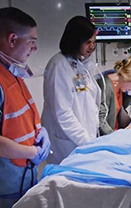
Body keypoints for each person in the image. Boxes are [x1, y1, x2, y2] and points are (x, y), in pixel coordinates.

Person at [0, 7, 50, 208]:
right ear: (12, 39)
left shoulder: (10, 68)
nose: (35, 47)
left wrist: (40, 131)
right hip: (3, 185)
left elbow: (19, 115)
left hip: (22, 176)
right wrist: (33, 153)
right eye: (32, 41)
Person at [42, 16, 101, 164]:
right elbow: (63, 113)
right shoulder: (59, 66)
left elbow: (90, 102)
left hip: (84, 139)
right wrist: (86, 142)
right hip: (68, 143)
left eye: (94, 42)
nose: (92, 47)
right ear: (76, 40)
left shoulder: (81, 64)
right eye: (88, 42)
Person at [95, 57, 131, 136]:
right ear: (127, 78)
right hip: (106, 135)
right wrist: (114, 137)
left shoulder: (119, 87)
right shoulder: (106, 87)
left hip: (114, 130)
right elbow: (100, 120)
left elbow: (120, 108)